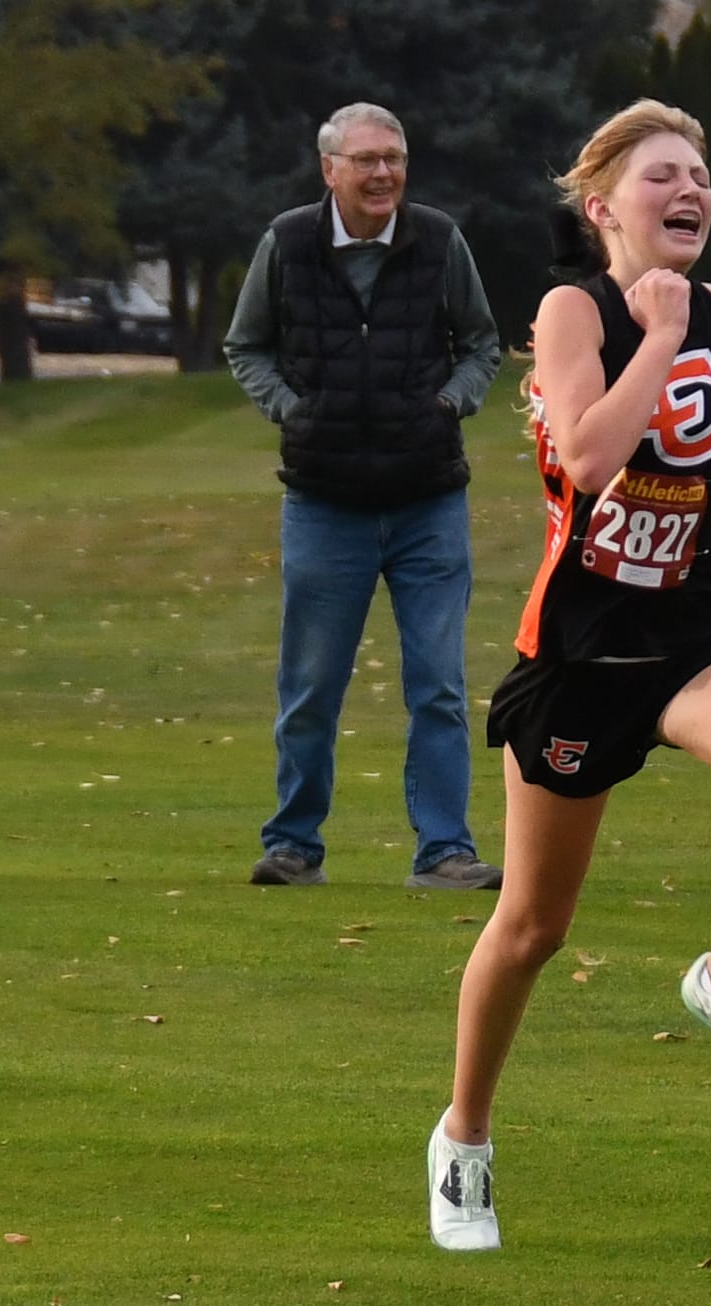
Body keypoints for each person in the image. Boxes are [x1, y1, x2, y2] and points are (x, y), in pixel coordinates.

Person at [426, 99, 711, 1252]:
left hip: (696, 628)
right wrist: (652, 333)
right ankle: (464, 1141)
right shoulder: (571, 309)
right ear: (603, 208)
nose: (689, 189)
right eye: (662, 174)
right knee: (534, 926)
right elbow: (591, 457)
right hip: (583, 651)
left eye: (699, 173)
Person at [224, 102, 505, 891]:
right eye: (367, 159)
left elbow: (482, 344)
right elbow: (245, 346)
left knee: (440, 686)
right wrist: (290, 408)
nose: (384, 173)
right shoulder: (285, 243)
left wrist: (451, 402)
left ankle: (445, 851)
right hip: (323, 502)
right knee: (310, 685)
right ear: (329, 170)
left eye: (395, 157)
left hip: (428, 502)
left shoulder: (439, 240)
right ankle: (293, 845)